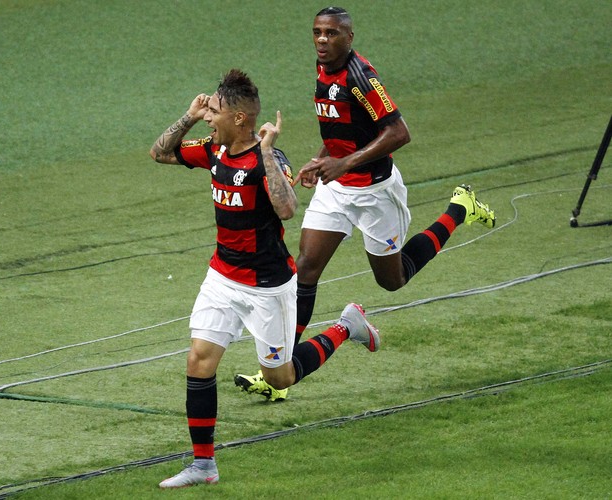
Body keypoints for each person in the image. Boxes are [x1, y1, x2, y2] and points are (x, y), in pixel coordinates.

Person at [235, 7, 495, 400]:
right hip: (337, 188)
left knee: (393, 280)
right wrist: (323, 158)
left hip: (375, 192)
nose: (322, 40)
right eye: (317, 33)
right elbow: (345, 128)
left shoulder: (361, 78)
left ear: (349, 38)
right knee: (304, 269)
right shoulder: (323, 69)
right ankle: (280, 370)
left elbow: (398, 132)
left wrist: (343, 163)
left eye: (332, 34)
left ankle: (461, 207)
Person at [150, 68, 381, 488]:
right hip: (221, 276)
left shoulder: (268, 158)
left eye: (214, 112)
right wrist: (187, 116)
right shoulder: (215, 151)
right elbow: (161, 153)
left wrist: (267, 153)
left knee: (281, 376)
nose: (208, 119)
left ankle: (348, 326)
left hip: (267, 286)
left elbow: (287, 208)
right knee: (199, 360)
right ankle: (203, 465)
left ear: (240, 119)